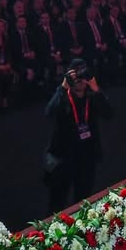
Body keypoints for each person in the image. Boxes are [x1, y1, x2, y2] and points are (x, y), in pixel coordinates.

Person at [44, 60, 113, 214]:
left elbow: (109, 114)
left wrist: (96, 89)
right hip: (63, 158)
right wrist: (63, 87)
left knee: (83, 201)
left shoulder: (92, 96)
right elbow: (49, 113)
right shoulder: (63, 96)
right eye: (76, 76)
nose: (80, 80)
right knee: (57, 202)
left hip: (86, 157)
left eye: (83, 75)